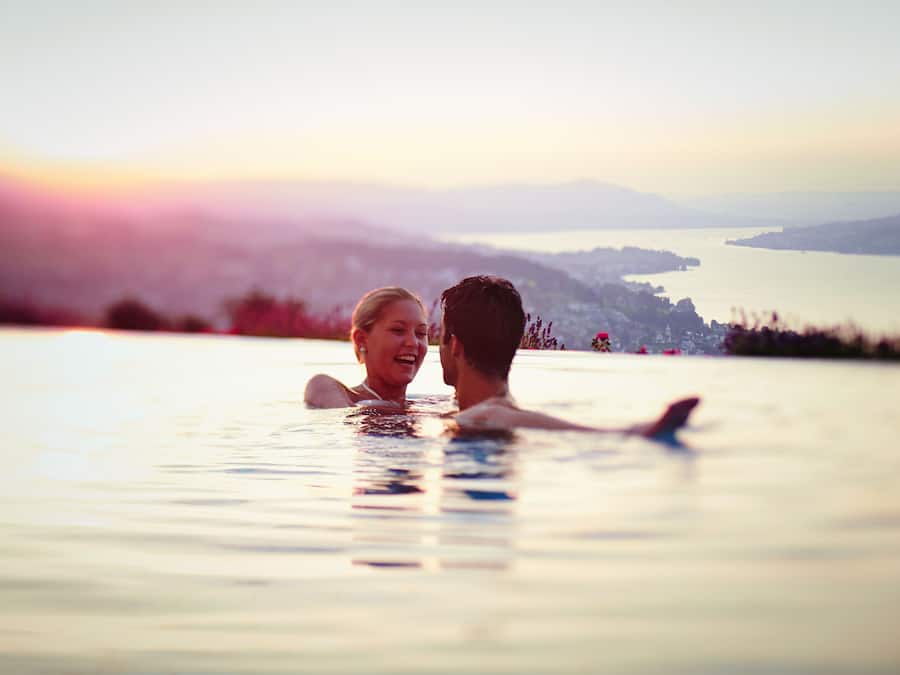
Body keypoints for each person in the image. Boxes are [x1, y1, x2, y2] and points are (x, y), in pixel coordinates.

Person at [439, 275, 699, 436]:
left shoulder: (487, 416)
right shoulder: (487, 410)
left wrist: (636, 432)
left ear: (455, 345)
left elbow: (590, 435)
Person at [304, 287, 429, 408]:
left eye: (421, 333)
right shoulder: (331, 392)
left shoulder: (427, 405)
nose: (413, 342)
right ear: (361, 340)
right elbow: (320, 387)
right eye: (398, 330)